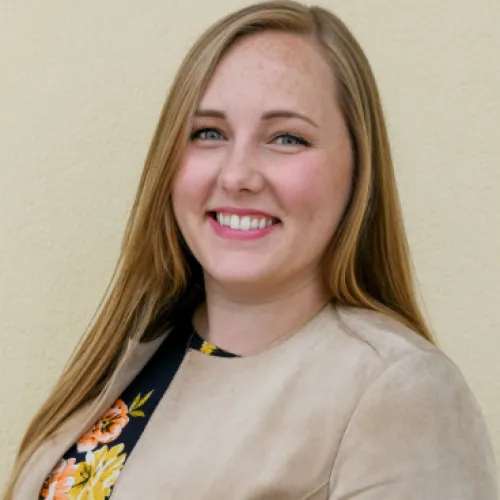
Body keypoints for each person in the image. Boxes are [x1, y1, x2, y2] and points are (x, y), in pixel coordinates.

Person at [4, 1, 497, 499]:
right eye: (209, 133)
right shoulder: (136, 353)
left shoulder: (400, 393)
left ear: (358, 169)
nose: (237, 175)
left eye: (287, 138)